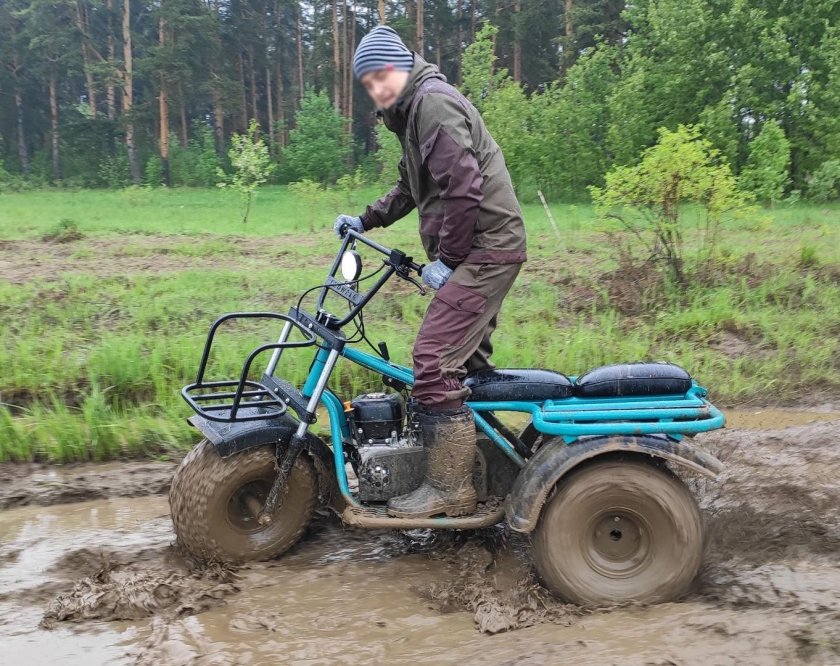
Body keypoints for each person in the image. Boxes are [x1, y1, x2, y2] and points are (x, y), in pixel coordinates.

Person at [334, 25, 527, 519]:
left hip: (487, 249)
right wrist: (365, 219)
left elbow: (462, 187)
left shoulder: (432, 103)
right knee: (467, 369)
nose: (377, 88)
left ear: (400, 67)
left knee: (433, 361)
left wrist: (449, 260)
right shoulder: (413, 113)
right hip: (482, 249)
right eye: (368, 82)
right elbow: (409, 186)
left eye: (382, 75)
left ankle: (450, 489)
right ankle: (492, 472)